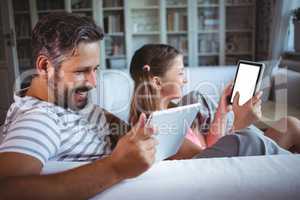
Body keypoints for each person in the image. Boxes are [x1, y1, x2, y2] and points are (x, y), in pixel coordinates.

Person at [128, 44, 300, 158]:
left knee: (289, 124)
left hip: (226, 159)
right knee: (288, 129)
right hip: (231, 173)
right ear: (157, 82)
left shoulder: (178, 112)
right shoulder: (158, 127)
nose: (185, 80)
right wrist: (241, 125)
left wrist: (222, 111)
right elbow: (211, 161)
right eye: (180, 73)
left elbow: (211, 146)